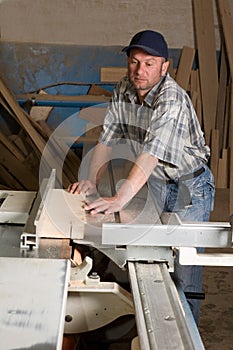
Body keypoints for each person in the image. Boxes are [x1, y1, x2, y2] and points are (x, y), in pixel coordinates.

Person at [68, 30, 215, 324]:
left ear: (165, 66)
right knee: (153, 257)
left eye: (150, 63)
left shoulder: (171, 99)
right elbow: (107, 139)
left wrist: (119, 198)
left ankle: (188, 333)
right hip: (158, 181)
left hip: (190, 186)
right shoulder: (124, 88)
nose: (140, 70)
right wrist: (91, 182)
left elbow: (150, 154)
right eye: (135, 62)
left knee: (184, 272)